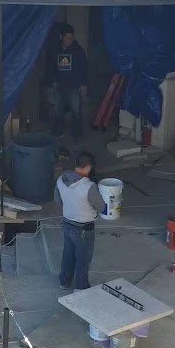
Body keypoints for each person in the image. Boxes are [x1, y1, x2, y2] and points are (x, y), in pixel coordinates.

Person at [55, 150, 104, 290]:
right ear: (88, 167)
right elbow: (100, 207)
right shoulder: (89, 186)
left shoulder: (61, 180)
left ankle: (64, 281)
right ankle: (81, 287)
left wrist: (70, 208)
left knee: (68, 254)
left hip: (67, 223)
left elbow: (57, 200)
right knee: (83, 259)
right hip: (83, 228)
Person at [49, 24, 88, 139]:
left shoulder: (78, 50)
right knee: (58, 110)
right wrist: (53, 80)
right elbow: (51, 66)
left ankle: (77, 135)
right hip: (60, 85)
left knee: (76, 110)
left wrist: (83, 84)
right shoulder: (55, 50)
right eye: (67, 37)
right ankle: (58, 132)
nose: (70, 40)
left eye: (72, 37)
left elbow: (84, 68)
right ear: (61, 37)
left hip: (74, 86)